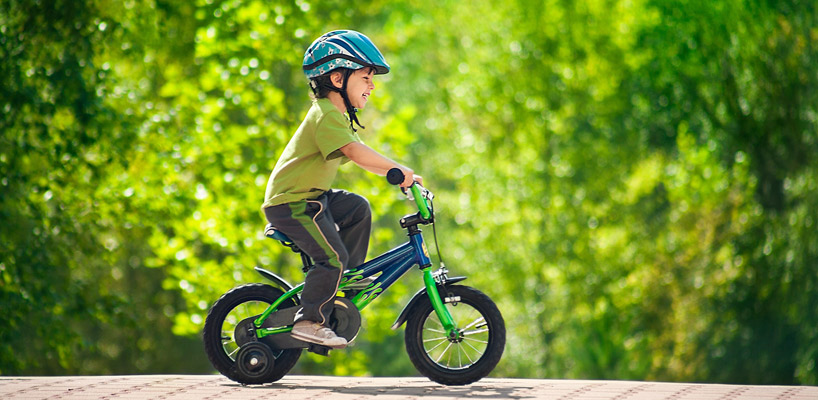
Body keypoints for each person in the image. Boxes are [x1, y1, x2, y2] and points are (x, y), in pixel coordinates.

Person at [261, 30, 421, 349]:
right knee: (331, 258)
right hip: (292, 203)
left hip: (311, 198)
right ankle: (310, 319)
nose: (372, 85)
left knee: (357, 208)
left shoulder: (335, 116)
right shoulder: (326, 115)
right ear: (337, 78)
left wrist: (398, 174)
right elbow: (357, 154)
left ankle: (346, 281)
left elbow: (366, 159)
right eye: (365, 77)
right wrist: (400, 171)